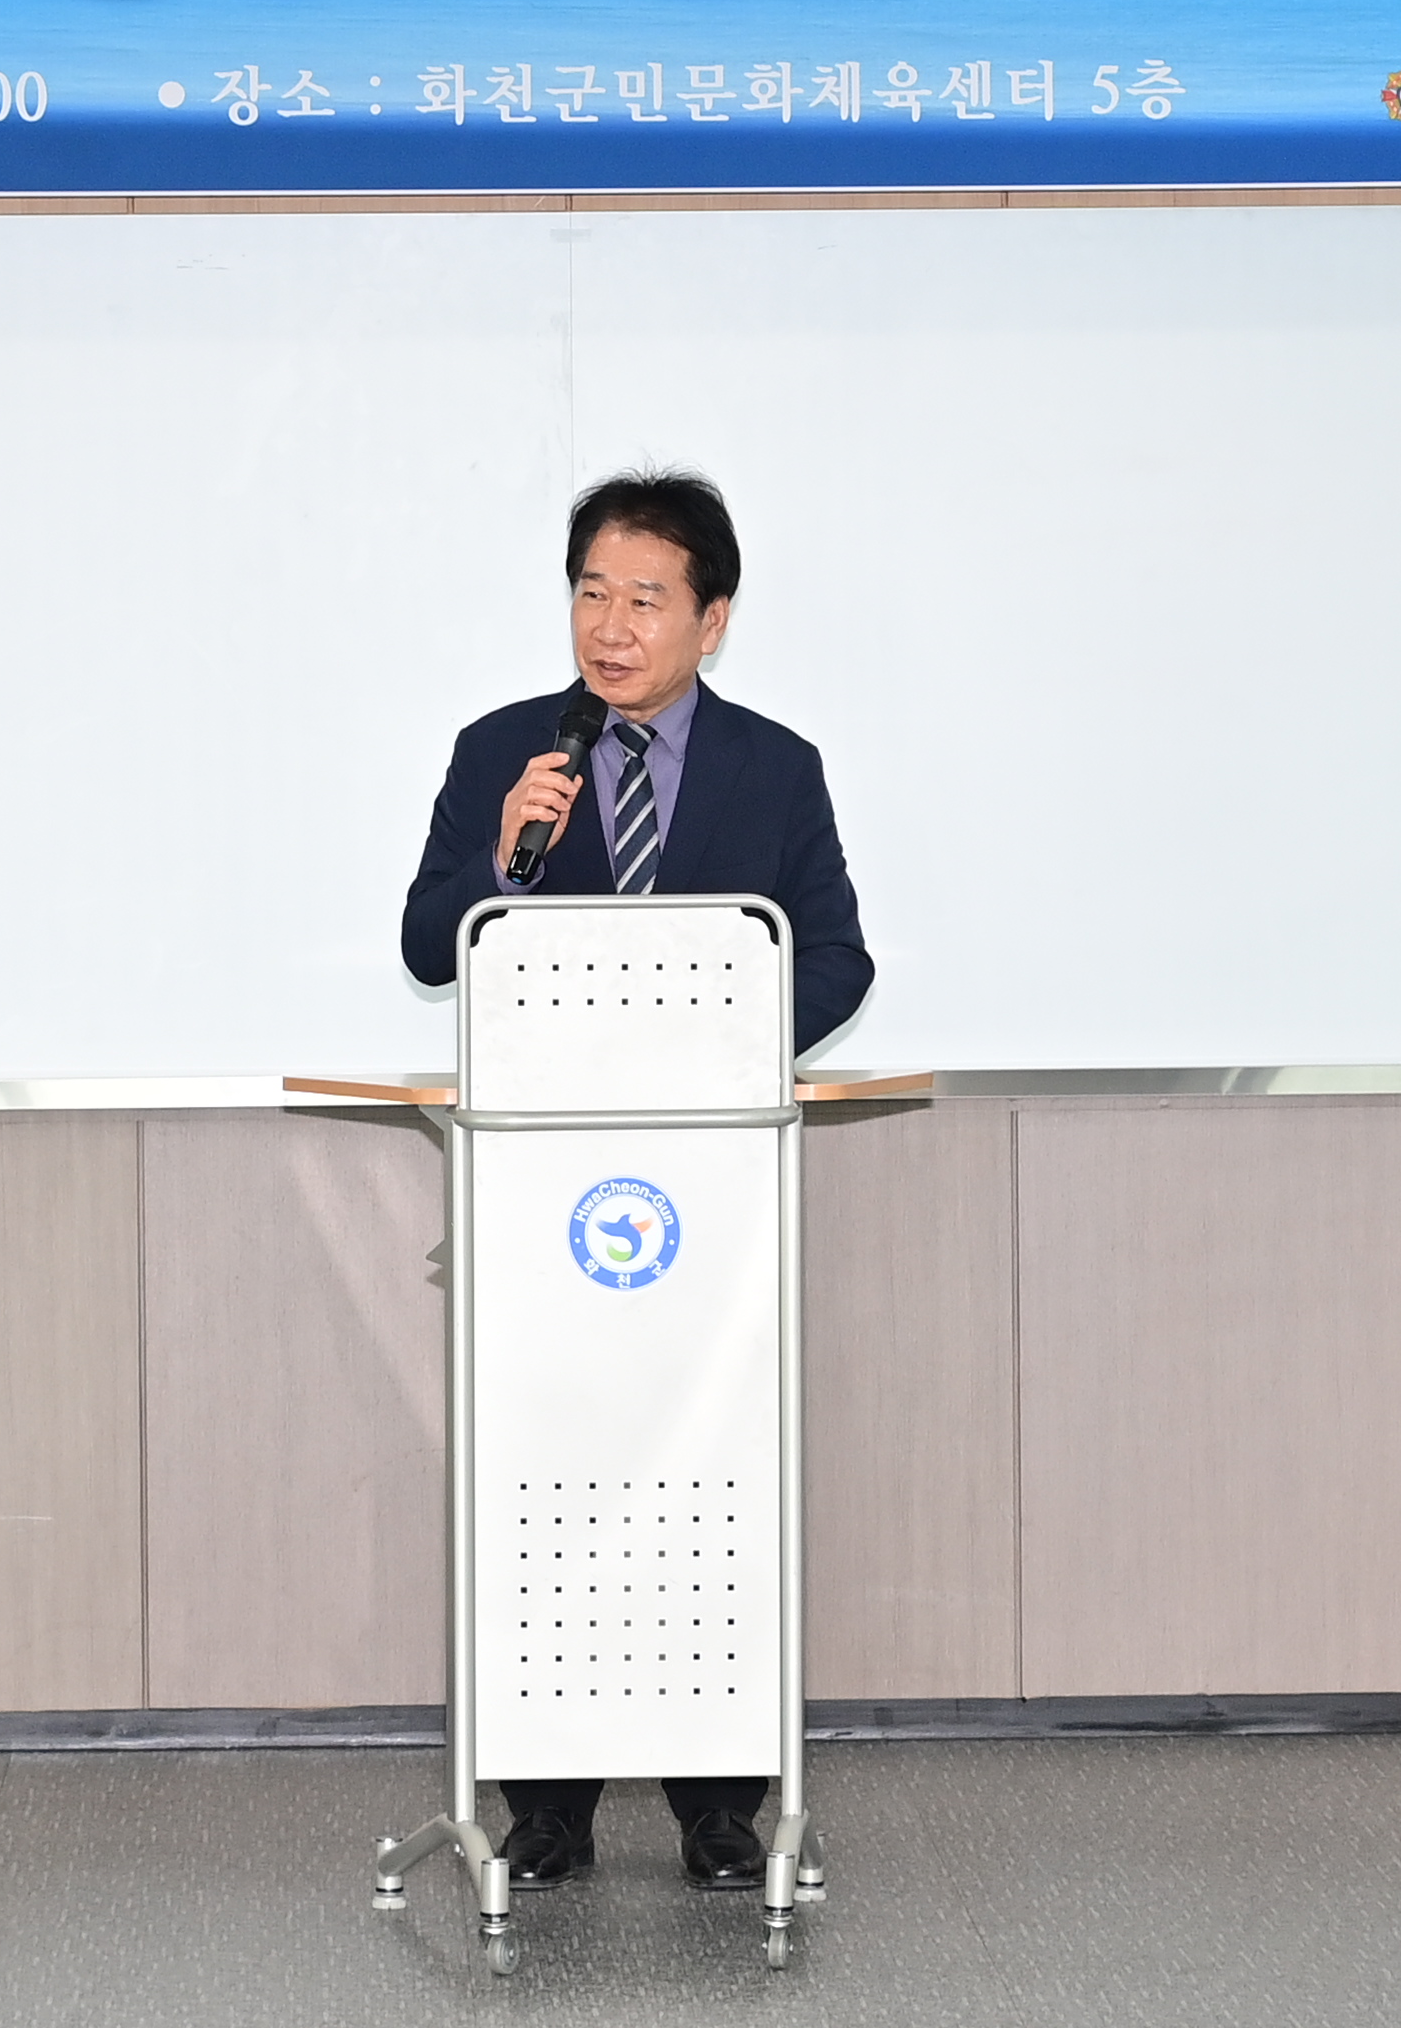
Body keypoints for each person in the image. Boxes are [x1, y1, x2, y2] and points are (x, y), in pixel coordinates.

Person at [399, 468, 872, 1894]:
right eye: (591, 594)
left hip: (710, 1190)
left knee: (704, 1471)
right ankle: (544, 1805)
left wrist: (720, 1043)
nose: (611, 626)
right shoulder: (504, 750)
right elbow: (430, 945)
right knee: (552, 1471)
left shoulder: (776, 768)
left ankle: (721, 1806)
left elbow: (837, 958)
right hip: (539, 1193)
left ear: (712, 620)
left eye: (646, 600)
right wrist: (502, 851)